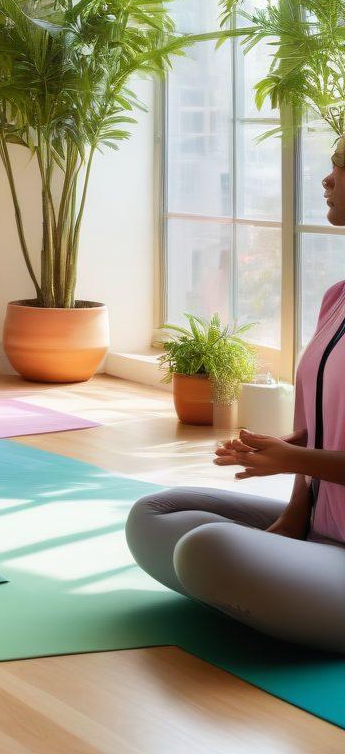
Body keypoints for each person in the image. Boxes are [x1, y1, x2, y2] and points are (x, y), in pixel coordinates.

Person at [125, 138, 345, 653]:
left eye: (340, 165)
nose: (326, 178)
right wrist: (291, 503)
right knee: (154, 514)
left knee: (207, 548)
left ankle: (280, 596)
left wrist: (292, 458)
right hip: (322, 528)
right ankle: (286, 596)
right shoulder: (337, 297)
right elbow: (322, 426)